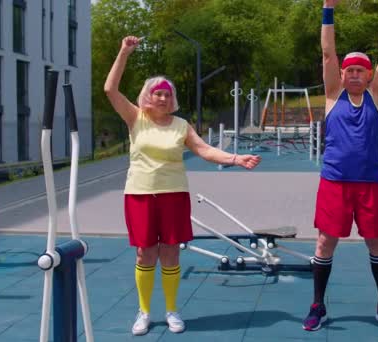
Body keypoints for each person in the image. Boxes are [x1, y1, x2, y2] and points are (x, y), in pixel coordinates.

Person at [104, 35, 261, 336]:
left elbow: (204, 150)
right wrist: (124, 51)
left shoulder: (181, 125)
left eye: (167, 94)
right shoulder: (135, 118)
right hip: (140, 195)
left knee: (171, 253)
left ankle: (172, 310)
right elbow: (110, 89)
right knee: (145, 254)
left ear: (172, 99)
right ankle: (145, 311)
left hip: (174, 195)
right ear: (148, 96)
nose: (162, 98)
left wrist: (235, 158)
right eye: (157, 93)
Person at [302, 0, 378, 332]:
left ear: (368, 74)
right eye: (349, 70)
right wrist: (328, 8)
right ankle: (317, 305)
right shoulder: (334, 95)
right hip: (334, 183)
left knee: (377, 242)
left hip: (369, 185)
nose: (354, 74)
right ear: (342, 73)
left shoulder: (376, 95)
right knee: (324, 243)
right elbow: (327, 52)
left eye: (360, 69)